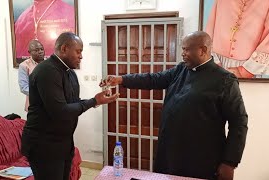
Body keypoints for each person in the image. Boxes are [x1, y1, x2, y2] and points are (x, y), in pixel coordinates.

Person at [100, 31, 248, 180]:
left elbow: (239, 122)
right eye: (182, 49)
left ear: (203, 50)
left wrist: (230, 162)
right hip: (170, 150)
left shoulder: (224, 80)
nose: (183, 54)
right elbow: (153, 79)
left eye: (186, 49)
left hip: (200, 157)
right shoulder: (181, 69)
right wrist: (121, 79)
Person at [21, 32, 119, 180]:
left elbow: (74, 104)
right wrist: (94, 101)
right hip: (44, 145)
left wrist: (97, 101)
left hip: (63, 143)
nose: (81, 56)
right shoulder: (46, 71)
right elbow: (61, 112)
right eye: (78, 51)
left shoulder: (70, 73)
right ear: (64, 48)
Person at [205, 0, 269, 78]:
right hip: (217, 62)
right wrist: (214, 63)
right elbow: (210, 30)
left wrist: (245, 71)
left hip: (249, 65)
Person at [18, 40, 45, 112]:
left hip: (50, 104)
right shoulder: (24, 66)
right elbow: (24, 87)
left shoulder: (49, 64)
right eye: (36, 50)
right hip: (34, 105)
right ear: (29, 52)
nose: (40, 52)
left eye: (41, 49)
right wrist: (42, 94)